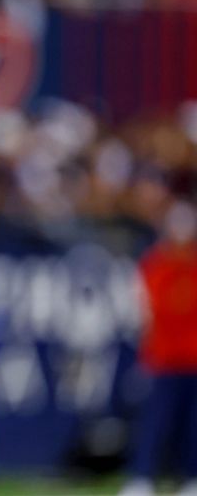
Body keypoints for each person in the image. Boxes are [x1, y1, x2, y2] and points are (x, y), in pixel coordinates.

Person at [118, 201, 197, 496]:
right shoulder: (156, 265)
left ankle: (191, 478)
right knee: (154, 424)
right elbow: (143, 309)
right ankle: (142, 478)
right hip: (163, 358)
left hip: (193, 359)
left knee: (192, 426)